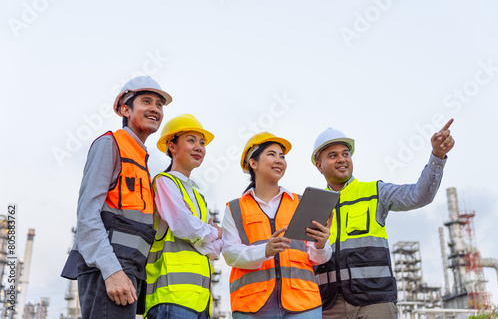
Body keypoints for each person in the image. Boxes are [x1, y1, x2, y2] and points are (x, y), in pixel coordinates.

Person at [311, 119, 455, 319]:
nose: (342, 159)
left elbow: (419, 195)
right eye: (333, 156)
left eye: (346, 154)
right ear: (319, 166)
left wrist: (437, 156)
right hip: (328, 305)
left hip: (375, 302)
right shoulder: (313, 204)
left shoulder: (375, 192)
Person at [60, 76, 172, 318]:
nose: (155, 108)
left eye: (159, 105)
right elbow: (87, 214)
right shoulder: (109, 144)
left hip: (130, 271)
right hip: (108, 271)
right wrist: (112, 271)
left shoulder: (141, 159)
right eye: (146, 101)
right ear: (125, 109)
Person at [222, 132, 333, 318]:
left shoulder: (301, 202)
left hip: (303, 304)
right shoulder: (235, 208)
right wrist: (265, 250)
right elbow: (230, 254)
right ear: (253, 163)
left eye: (282, 156)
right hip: (253, 305)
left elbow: (319, 258)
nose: (279, 160)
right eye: (271, 154)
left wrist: (321, 245)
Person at [144, 114, 223, 319]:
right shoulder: (164, 182)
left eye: (202, 143)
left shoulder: (198, 196)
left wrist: (205, 234)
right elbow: (183, 226)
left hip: (199, 301)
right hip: (169, 298)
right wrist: (214, 231)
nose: (199, 147)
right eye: (191, 140)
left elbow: (213, 250)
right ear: (172, 146)